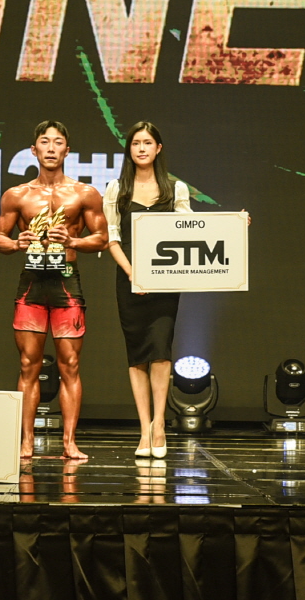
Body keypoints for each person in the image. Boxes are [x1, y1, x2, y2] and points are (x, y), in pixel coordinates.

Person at [105, 121, 250, 459]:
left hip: (163, 282)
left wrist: (234, 226)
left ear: (158, 149)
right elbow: (112, 239)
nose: (141, 148)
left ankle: (159, 425)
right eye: (136, 143)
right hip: (129, 281)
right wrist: (133, 273)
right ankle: (143, 429)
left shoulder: (175, 189)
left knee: (160, 351)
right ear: (129, 149)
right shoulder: (116, 189)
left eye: (147, 142)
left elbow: (190, 231)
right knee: (137, 356)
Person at [0, 120, 108, 461]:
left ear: (67, 151)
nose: (51, 148)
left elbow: (101, 238)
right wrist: (17, 243)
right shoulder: (17, 195)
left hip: (65, 282)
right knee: (28, 363)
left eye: (58, 142)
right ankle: (26, 442)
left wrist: (73, 240)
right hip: (32, 282)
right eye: (45, 141)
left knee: (70, 363)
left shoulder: (85, 193)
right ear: (34, 150)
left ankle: (69, 443)